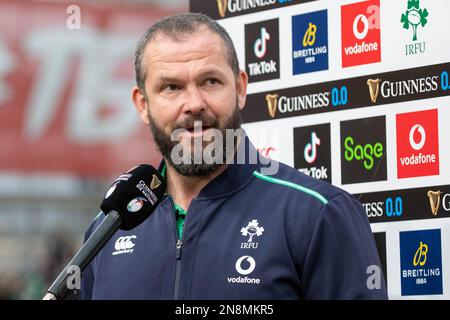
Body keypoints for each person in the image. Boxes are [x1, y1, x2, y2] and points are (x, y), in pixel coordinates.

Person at [80, 13, 388, 300]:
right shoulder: (107, 229)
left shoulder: (318, 213)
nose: (194, 104)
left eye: (210, 81)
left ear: (240, 88)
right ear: (143, 105)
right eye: (171, 87)